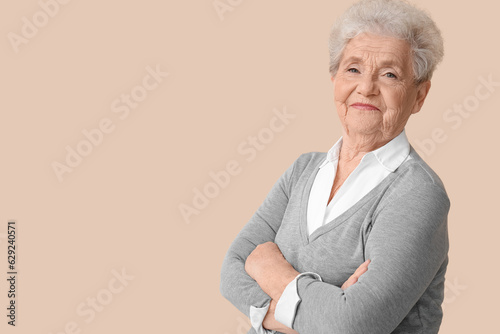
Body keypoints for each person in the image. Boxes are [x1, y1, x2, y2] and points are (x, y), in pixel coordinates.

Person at [220, 0, 450, 333]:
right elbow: (232, 270)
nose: (367, 88)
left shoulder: (418, 194)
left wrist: (271, 272)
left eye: (390, 74)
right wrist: (318, 311)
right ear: (334, 80)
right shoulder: (303, 169)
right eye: (353, 69)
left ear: (419, 96)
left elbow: (352, 325)